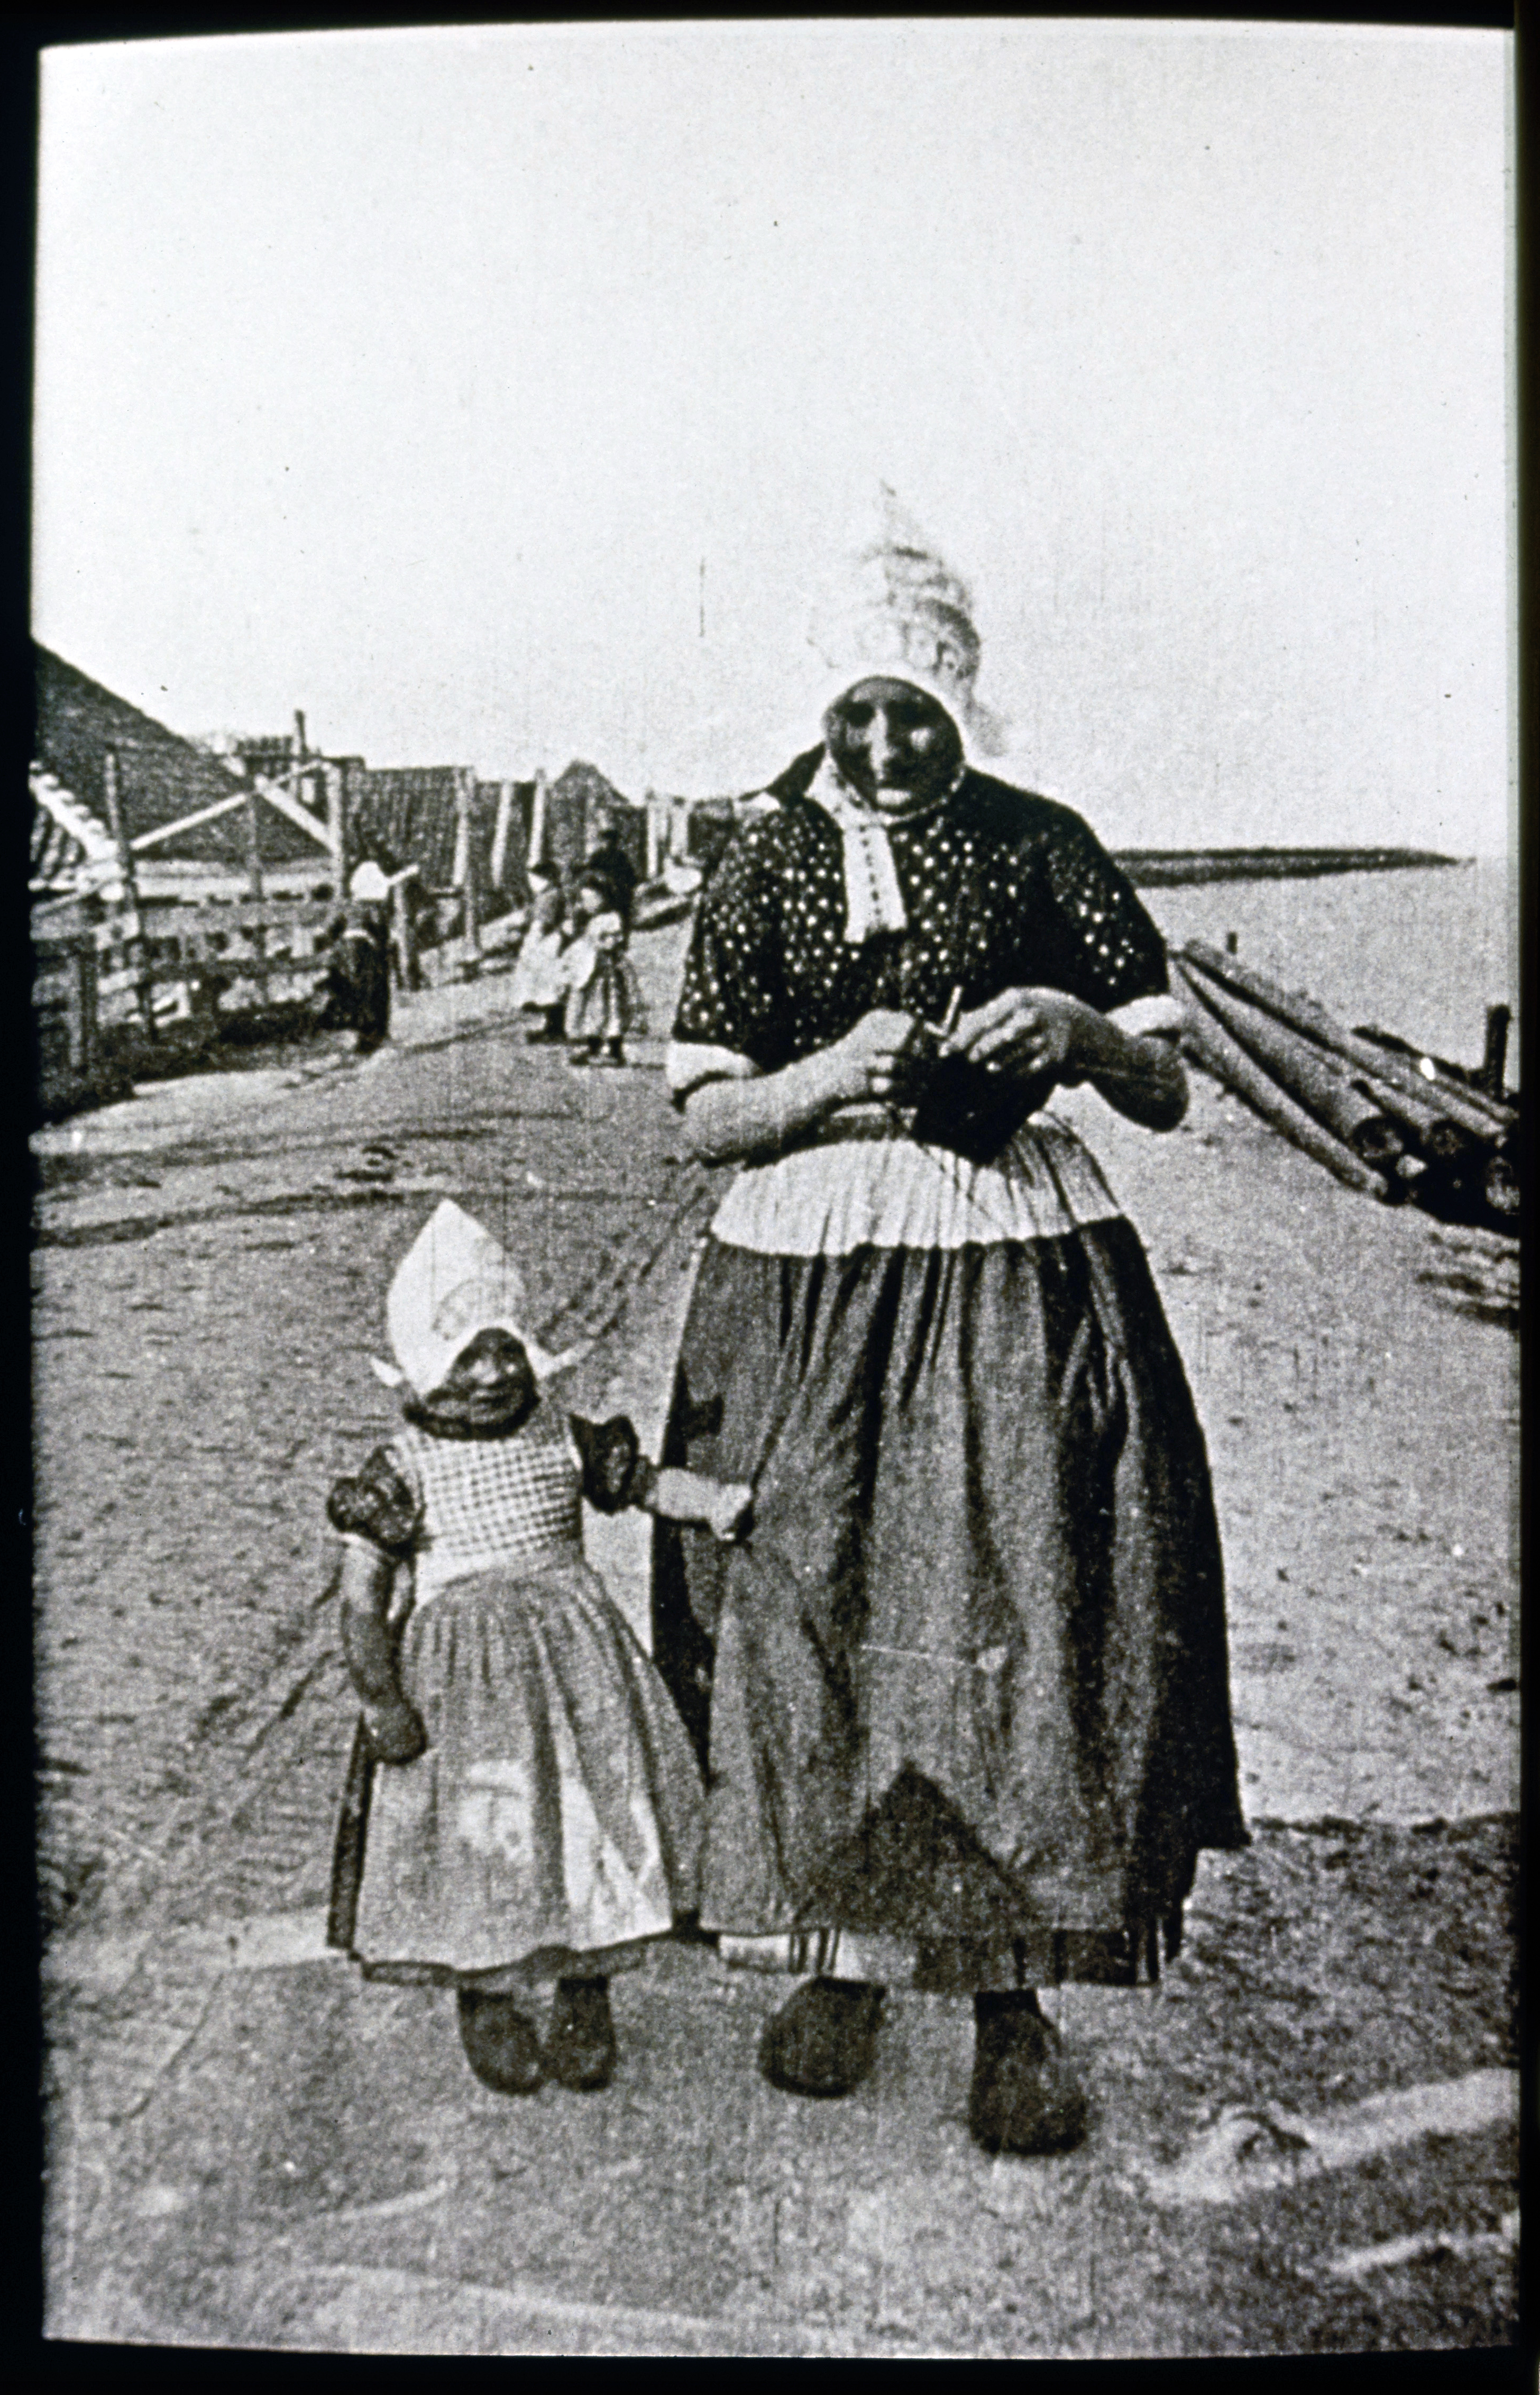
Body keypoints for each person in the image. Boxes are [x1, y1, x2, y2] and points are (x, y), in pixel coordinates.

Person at [650, 497, 1245, 2156]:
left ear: (961, 701)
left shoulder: (1041, 840)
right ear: (821, 707)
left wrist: (1070, 1028)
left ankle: (1010, 1997)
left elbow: (1167, 1086)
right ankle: (839, 1953)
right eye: (858, 713)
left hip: (1007, 1254)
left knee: (1019, 1598)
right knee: (805, 1597)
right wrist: (831, 1074)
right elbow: (701, 1117)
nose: (885, 745)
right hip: (802, 1266)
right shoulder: (761, 859)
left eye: (915, 713)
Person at [324, 1200, 751, 2096]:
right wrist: (382, 1700)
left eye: (506, 1351)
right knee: (487, 1829)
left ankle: (586, 1989)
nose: (491, 1376)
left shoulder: (561, 1435)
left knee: (590, 1820)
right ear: (420, 1364)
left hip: (579, 1670)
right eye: (464, 1357)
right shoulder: (401, 1470)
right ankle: (484, 1992)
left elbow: (642, 1485)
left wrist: (711, 1502)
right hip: (462, 1692)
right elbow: (362, 1600)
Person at [562, 876, 646, 1068]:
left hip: (606, 974)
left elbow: (612, 943)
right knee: (593, 1012)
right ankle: (593, 1048)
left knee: (612, 1010)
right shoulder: (587, 921)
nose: (588, 904)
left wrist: (600, 944)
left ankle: (616, 1051)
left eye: (593, 898)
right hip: (592, 977)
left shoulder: (611, 919)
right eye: (585, 900)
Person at [318, 860, 394, 1054]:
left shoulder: (345, 906)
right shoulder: (375, 910)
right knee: (374, 991)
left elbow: (329, 930)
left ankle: (360, 1033)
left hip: (346, 952)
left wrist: (333, 947)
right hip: (366, 952)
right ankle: (375, 1034)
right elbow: (382, 933)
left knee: (353, 992)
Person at [510, 882, 574, 1044]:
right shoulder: (546, 895)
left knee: (550, 988)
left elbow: (544, 924)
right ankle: (552, 1027)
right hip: (547, 945)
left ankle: (555, 1030)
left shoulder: (550, 895)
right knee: (547, 988)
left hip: (549, 946)